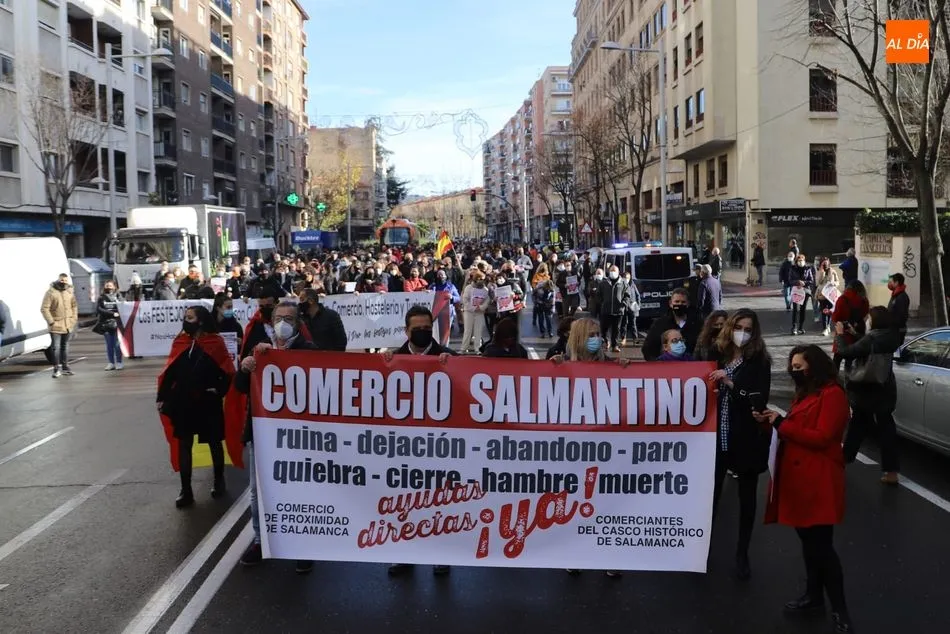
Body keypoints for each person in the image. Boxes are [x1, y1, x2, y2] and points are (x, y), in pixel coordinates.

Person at [753, 345, 853, 634]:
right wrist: (770, 423)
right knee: (810, 545)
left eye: (800, 365)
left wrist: (782, 423)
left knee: (822, 548)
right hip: (799, 480)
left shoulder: (833, 395)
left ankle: (840, 609)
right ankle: (813, 596)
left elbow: (823, 437)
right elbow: (794, 430)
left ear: (816, 366)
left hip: (818, 480)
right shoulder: (807, 393)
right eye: (792, 366)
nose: (795, 370)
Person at [236, 301, 317, 574]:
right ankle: (261, 542)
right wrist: (246, 366)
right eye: (279, 317)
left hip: (300, 437)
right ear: (271, 321)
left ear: (298, 323)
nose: (284, 322)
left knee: (301, 491)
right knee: (259, 493)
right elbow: (238, 387)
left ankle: (303, 547)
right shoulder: (261, 349)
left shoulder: (309, 351)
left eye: (289, 318)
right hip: (263, 433)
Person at [550, 317, 630, 578]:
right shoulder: (559, 359)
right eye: (592, 334)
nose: (598, 339)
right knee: (576, 503)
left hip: (606, 447)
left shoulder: (609, 364)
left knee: (606, 503)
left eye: (599, 333)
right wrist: (553, 370)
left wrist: (627, 370)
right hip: (573, 448)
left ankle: (609, 554)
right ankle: (576, 553)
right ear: (579, 337)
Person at [383, 305, 454, 576]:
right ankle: (404, 554)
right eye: (418, 329)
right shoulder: (393, 358)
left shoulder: (448, 357)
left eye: (427, 329)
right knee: (404, 502)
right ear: (406, 331)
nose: (423, 333)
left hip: (439, 445)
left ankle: (439, 553)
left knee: (438, 501)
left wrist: (454, 367)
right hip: (404, 445)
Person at [707, 308, 772, 580]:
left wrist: (731, 383)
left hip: (744, 438)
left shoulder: (758, 361)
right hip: (715, 439)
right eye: (738, 327)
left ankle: (742, 552)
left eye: (748, 329)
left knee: (747, 500)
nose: (742, 333)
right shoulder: (717, 354)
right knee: (710, 497)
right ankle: (702, 549)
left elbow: (758, 400)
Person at [155, 306, 235, 508]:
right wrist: (162, 397)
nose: (186, 320)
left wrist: (219, 390)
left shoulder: (215, 342)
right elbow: (169, 371)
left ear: (200, 320)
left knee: (215, 443)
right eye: (185, 317)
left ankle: (219, 480)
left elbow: (227, 372)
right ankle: (186, 490)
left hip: (208, 401)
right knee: (184, 444)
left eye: (190, 317)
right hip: (183, 401)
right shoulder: (181, 342)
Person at [835, 306, 902, 485]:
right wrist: (856, 333)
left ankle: (843, 460)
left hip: (866, 388)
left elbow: (845, 352)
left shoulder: (872, 338)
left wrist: (841, 334)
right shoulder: (890, 336)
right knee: (886, 428)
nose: (866, 321)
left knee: (857, 426)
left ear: (874, 321)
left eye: (869, 319)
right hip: (885, 387)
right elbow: (868, 347)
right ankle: (891, 470)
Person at [642, 289, 703, 361]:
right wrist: (657, 364)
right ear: (671, 303)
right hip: (666, 367)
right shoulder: (660, 324)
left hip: (691, 366)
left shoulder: (698, 324)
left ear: (688, 304)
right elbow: (648, 348)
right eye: (677, 301)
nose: (680, 304)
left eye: (683, 302)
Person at [40, 273, 78, 378]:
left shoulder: (70, 292)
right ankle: (56, 369)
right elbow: (44, 308)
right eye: (62, 280)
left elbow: (74, 306)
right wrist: (51, 321)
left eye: (65, 280)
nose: (63, 282)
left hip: (68, 325)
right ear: (58, 280)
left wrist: (73, 319)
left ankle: (65, 367)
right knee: (55, 348)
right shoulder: (51, 293)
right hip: (56, 325)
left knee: (65, 347)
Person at [831, 280, 869, 371]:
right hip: (857, 331)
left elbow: (836, 318)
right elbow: (865, 314)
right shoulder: (864, 300)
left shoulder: (842, 299)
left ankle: (834, 380)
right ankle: (849, 379)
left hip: (843, 331)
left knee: (837, 358)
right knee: (851, 360)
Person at [598, 265, 630, 353]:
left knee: (616, 329)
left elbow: (627, 295)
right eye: (611, 270)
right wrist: (602, 303)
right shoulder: (604, 283)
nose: (613, 272)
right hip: (606, 310)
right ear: (608, 271)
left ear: (618, 272)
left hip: (618, 311)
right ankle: (606, 341)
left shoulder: (623, 283)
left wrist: (624, 303)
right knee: (604, 328)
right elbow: (598, 294)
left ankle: (614, 345)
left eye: (614, 271)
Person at [96, 280, 123, 370]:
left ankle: (119, 362)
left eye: (110, 286)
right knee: (109, 344)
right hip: (105, 323)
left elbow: (124, 306)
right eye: (107, 286)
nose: (109, 288)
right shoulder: (101, 298)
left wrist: (117, 314)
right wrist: (112, 314)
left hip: (117, 323)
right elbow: (99, 309)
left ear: (114, 287)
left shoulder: (118, 296)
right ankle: (111, 363)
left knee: (117, 344)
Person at [460, 271, 489, 353]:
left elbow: (487, 300)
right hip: (469, 312)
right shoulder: (469, 288)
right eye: (480, 279)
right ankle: (464, 348)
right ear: (475, 279)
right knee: (467, 330)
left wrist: (481, 307)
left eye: (483, 279)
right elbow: (465, 299)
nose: (481, 281)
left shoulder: (485, 289)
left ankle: (477, 348)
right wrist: (473, 307)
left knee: (478, 331)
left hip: (479, 312)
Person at [788, 253, 816, 335]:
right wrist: (797, 282)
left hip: (805, 291)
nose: (801, 262)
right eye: (799, 260)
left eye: (802, 260)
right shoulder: (792, 268)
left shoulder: (808, 269)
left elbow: (811, 280)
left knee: (803, 309)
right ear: (796, 261)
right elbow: (790, 280)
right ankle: (794, 327)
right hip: (796, 291)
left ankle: (801, 327)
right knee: (795, 309)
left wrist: (804, 282)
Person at [815, 258, 840, 336]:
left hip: (830, 294)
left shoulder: (833, 271)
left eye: (826, 263)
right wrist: (822, 272)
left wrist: (834, 283)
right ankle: (825, 328)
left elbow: (838, 281)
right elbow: (818, 282)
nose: (825, 265)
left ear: (829, 263)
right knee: (823, 311)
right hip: (822, 294)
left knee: (829, 310)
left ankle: (828, 325)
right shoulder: (819, 271)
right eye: (823, 264)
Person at [887, 273, 910, 345]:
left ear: (896, 283)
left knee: (896, 351)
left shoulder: (901, 297)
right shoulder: (896, 295)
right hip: (895, 329)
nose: (889, 284)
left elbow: (901, 316)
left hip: (897, 330)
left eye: (890, 282)